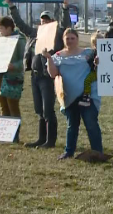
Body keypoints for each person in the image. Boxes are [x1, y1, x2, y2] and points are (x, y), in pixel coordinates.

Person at [6, 0, 71, 148]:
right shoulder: (34, 33)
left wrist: (65, 8)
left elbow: (64, 24)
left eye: (47, 20)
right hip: (35, 76)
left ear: (52, 22)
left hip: (48, 76)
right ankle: (41, 139)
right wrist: (12, 7)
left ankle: (50, 141)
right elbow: (20, 24)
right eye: (42, 20)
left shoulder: (57, 34)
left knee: (48, 109)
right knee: (39, 109)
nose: (44, 22)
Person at [42, 28, 102, 160]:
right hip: (69, 96)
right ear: (63, 40)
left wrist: (98, 62)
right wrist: (49, 58)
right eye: (67, 38)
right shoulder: (58, 56)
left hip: (87, 96)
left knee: (91, 124)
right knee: (72, 125)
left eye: (72, 38)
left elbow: (99, 67)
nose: (70, 41)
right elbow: (53, 74)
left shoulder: (88, 53)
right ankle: (69, 152)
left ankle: (98, 152)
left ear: (77, 39)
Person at [0, 16, 27, 141]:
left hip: (12, 78)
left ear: (9, 28)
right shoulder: (0, 40)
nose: (0, 31)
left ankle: (15, 136)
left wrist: (13, 66)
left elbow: (24, 60)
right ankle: (6, 135)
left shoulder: (20, 40)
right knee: (3, 106)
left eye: (1, 29)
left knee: (12, 106)